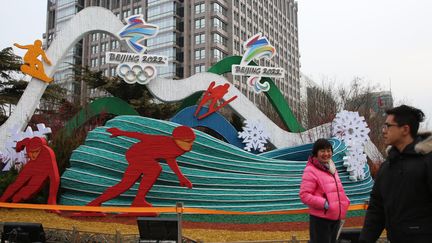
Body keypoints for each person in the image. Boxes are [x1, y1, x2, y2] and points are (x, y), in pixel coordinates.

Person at [359, 105, 432, 243]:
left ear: (405, 129)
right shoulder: (387, 166)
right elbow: (376, 209)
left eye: (388, 126)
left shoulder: (427, 161)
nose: (383, 131)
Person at [87, 126, 195, 213]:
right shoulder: (163, 140)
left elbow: (170, 159)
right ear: (177, 140)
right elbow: (142, 136)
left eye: (192, 141)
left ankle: (93, 205)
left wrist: (181, 177)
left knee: (125, 184)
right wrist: (121, 132)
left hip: (143, 158)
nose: (191, 145)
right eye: (188, 141)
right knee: (155, 168)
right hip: (135, 154)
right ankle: (139, 200)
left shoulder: (179, 149)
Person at [300, 138, 350, 243]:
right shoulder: (311, 170)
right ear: (315, 153)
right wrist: (324, 204)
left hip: (335, 217)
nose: (326, 154)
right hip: (320, 220)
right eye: (322, 151)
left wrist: (345, 201)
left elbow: (336, 189)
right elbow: (304, 195)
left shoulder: (331, 168)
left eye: (328, 150)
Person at [0, 137, 60, 205]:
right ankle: (2, 200)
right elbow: (20, 144)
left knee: (31, 188)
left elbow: (55, 178)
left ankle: (16, 199)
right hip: (32, 166)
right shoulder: (27, 142)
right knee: (16, 184)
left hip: (42, 170)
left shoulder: (48, 153)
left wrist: (52, 200)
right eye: (31, 152)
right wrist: (18, 147)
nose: (33, 155)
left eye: (36, 151)